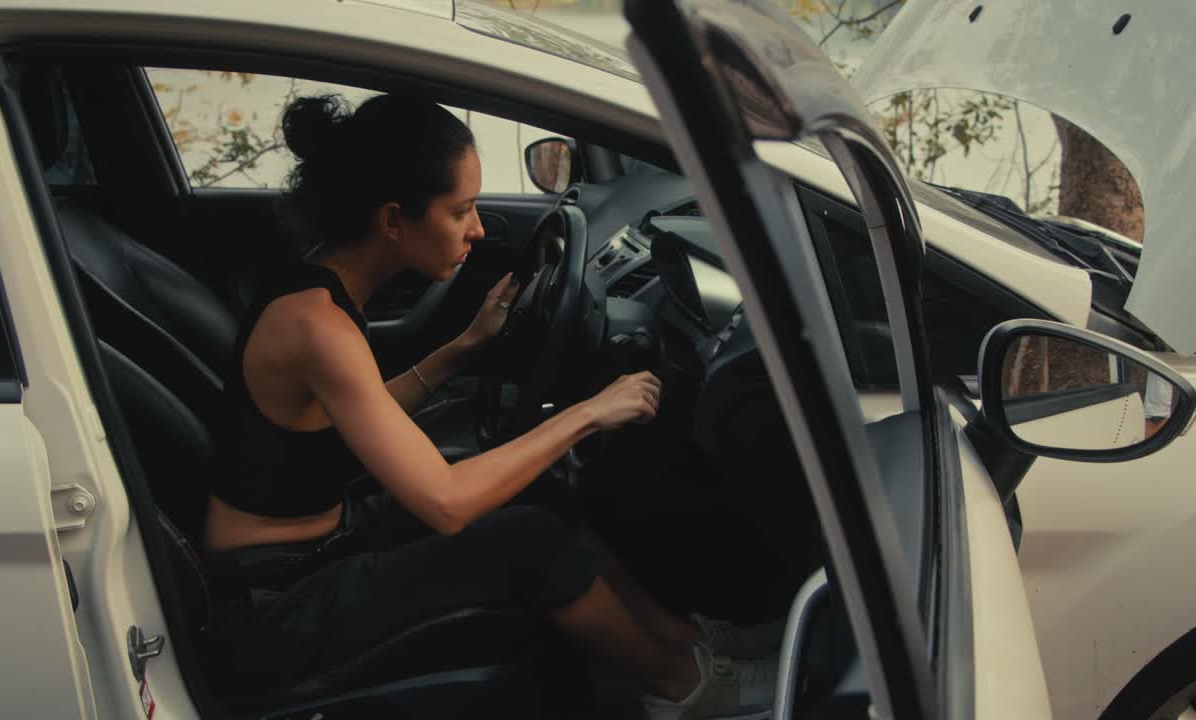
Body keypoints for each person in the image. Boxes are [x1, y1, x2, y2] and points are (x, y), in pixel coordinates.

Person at [200, 93, 780, 720]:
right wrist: (588, 412)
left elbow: (348, 418)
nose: (477, 228)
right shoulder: (317, 325)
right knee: (526, 538)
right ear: (394, 220)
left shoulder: (319, 289)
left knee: (537, 499)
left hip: (305, 554)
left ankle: (685, 641)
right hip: (273, 604)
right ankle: (681, 686)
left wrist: (463, 348)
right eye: (461, 210)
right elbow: (447, 504)